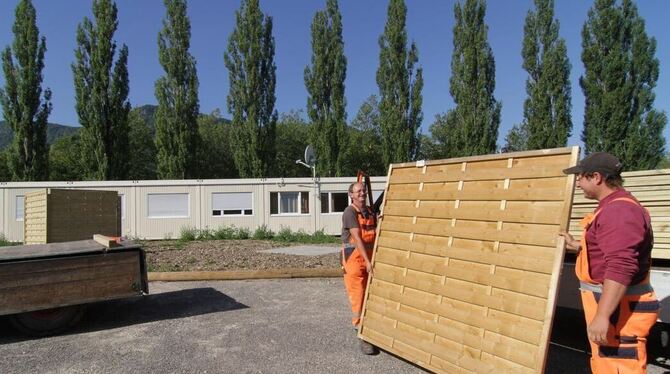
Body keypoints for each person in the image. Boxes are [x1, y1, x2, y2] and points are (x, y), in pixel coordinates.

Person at [561, 152, 659, 373]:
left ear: (596, 177)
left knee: (618, 365)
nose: (577, 184)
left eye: (580, 178)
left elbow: (621, 265)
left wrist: (603, 315)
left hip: (620, 310)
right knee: (606, 363)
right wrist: (578, 245)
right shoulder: (612, 206)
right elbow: (610, 248)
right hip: (615, 304)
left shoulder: (619, 211)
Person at [341, 181, 378, 355]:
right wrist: (368, 262)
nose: (362, 193)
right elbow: (357, 237)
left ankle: (371, 328)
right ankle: (361, 335)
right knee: (359, 297)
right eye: (358, 191)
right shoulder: (350, 212)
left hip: (369, 258)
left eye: (364, 190)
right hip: (354, 260)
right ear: (351, 195)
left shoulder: (370, 211)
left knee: (372, 295)